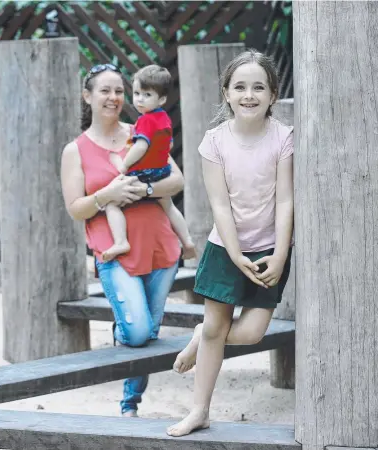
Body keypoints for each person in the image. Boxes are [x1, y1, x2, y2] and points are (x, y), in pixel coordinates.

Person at [166, 50, 294, 437]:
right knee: (215, 327)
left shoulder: (284, 138)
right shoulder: (214, 141)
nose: (249, 95)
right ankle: (199, 410)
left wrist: (281, 253)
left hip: (271, 249)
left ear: (273, 95)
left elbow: (286, 200)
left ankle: (200, 336)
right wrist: (235, 252)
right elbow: (219, 203)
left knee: (252, 332)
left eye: (259, 87)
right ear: (226, 93)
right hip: (225, 249)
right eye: (240, 87)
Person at [60, 63, 184, 418]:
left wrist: (143, 188)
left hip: (161, 245)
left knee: (149, 332)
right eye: (105, 90)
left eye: (118, 90)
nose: (114, 97)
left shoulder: (142, 130)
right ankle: (122, 329)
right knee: (137, 329)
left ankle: (129, 404)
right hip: (114, 249)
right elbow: (76, 209)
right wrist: (107, 194)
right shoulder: (76, 150)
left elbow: (177, 181)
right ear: (88, 96)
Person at [104, 64, 196, 262]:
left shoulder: (145, 120)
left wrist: (125, 165)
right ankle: (187, 241)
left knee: (112, 204)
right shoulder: (164, 118)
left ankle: (121, 241)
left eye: (146, 95)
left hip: (143, 173)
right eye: (137, 93)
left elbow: (140, 147)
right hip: (161, 170)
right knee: (169, 206)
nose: (139, 99)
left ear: (161, 99)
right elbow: (168, 143)